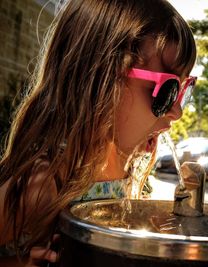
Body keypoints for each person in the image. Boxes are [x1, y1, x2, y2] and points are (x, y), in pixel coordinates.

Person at [0, 0, 197, 266]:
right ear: (102, 80)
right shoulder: (45, 184)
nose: (176, 112)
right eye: (168, 90)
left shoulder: (121, 168)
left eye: (184, 90)